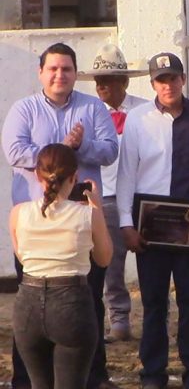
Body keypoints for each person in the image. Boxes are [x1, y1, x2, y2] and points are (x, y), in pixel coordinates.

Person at [1, 42, 119, 389]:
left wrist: (82, 147)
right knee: (30, 298)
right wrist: (64, 149)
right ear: (41, 72)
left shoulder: (93, 108)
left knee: (89, 300)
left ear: (75, 73)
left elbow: (110, 150)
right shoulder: (24, 109)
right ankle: (25, 379)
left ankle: (94, 376)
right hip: (36, 222)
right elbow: (14, 151)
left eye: (66, 69)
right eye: (52, 68)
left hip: (81, 221)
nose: (59, 75)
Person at [116, 52, 189, 389]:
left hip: (188, 223)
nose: (168, 85)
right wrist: (126, 224)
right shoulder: (138, 119)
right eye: (161, 80)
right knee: (154, 302)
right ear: (152, 84)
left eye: (173, 78)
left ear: (183, 79)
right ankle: (153, 371)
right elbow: (127, 173)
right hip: (151, 225)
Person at [9, 143, 112, 389]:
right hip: (71, 303)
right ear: (74, 177)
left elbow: (23, 258)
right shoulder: (87, 214)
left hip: (28, 303)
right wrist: (97, 208)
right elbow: (104, 259)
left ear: (37, 175)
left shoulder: (18, 212)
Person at [77, 43, 148, 345]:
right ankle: (117, 318)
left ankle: (150, 317)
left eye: (108, 79)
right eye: (98, 80)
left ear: (125, 82)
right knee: (107, 260)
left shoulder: (145, 111)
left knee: (151, 259)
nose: (101, 85)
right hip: (105, 193)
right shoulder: (87, 114)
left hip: (142, 192)